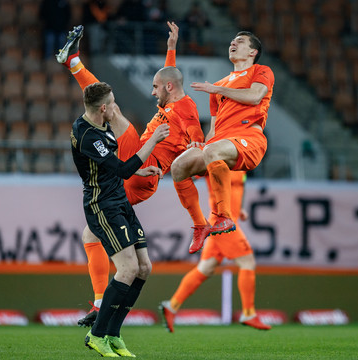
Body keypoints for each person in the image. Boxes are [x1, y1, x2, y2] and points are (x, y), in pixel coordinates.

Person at [56, 22, 205, 327]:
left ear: (169, 89)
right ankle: (100, 303)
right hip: (138, 167)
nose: (152, 93)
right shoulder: (172, 96)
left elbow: (196, 134)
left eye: (155, 88)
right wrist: (172, 48)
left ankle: (73, 63)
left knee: (112, 109)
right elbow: (169, 76)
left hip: (143, 169)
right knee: (90, 234)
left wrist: (196, 149)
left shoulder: (187, 108)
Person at [70, 79, 169, 356]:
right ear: (104, 108)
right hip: (102, 206)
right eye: (112, 103)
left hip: (120, 201)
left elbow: (117, 169)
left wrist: (140, 171)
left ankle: (113, 333)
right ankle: (97, 335)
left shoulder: (100, 125)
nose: (116, 106)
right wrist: (152, 141)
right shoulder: (88, 135)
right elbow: (122, 170)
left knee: (144, 267)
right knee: (127, 270)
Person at [170, 30, 275, 254]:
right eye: (232, 41)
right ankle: (200, 225)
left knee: (213, 151)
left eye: (239, 41)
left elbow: (255, 96)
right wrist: (201, 144)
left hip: (250, 138)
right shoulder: (218, 87)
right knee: (178, 167)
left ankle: (223, 217)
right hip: (221, 143)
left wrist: (217, 89)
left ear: (253, 51)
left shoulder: (261, 71)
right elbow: (214, 131)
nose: (232, 43)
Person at [160, 171, 271, 331]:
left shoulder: (240, 160)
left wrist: (240, 208)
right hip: (222, 224)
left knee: (206, 268)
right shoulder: (213, 158)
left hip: (229, 221)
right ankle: (249, 313)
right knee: (247, 262)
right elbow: (185, 176)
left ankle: (171, 306)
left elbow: (240, 187)